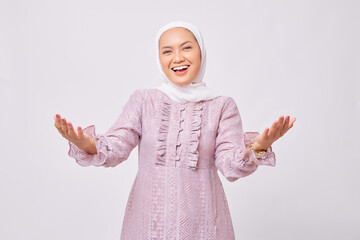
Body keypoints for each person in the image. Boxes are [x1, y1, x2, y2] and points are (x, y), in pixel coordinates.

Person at [54, 20, 295, 240]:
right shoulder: (144, 100)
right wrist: (87, 144)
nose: (177, 57)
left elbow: (230, 165)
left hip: (204, 222)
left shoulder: (222, 106)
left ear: (201, 51)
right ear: (159, 58)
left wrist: (258, 147)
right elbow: (116, 147)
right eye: (167, 51)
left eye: (186, 48)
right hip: (149, 222)